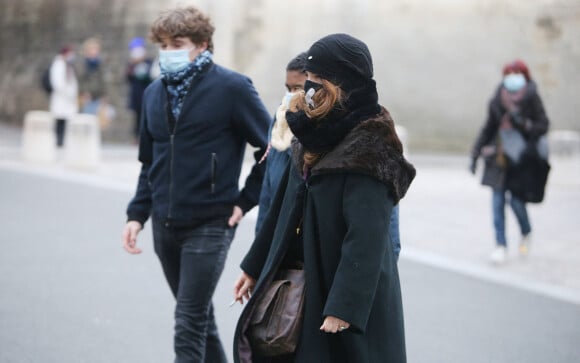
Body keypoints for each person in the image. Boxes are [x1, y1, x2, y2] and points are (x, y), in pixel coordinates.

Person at [233, 33, 415, 363]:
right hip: (302, 283)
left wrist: (344, 306)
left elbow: (367, 237)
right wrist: (254, 266)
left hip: (341, 296)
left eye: (316, 80)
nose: (308, 89)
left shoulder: (372, 146)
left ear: (340, 82)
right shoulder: (310, 134)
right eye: (308, 80)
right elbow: (282, 208)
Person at [121, 6, 270, 363]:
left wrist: (245, 200)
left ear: (203, 44)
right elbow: (150, 161)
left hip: (210, 225)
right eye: (164, 44)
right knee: (200, 318)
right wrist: (137, 214)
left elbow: (272, 149)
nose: (168, 51)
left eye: (178, 43)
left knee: (187, 320)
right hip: (165, 226)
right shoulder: (154, 93)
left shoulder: (233, 88)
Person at [256, 52, 404, 261]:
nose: (294, 95)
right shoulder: (280, 125)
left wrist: (390, 258)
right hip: (284, 259)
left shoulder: (363, 137)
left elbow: (383, 219)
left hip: (323, 259)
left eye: (299, 88)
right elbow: (269, 199)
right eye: (288, 89)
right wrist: (259, 260)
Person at [470, 59, 549, 264]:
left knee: (515, 202)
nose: (513, 77)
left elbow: (543, 125)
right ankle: (500, 245)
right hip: (499, 158)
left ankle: (526, 231)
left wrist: (524, 124)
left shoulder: (531, 99)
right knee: (497, 202)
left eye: (517, 73)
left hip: (521, 161)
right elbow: (488, 128)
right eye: (509, 73)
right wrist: (475, 153)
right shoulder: (496, 100)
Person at [48, 45, 78, 147]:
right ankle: (59, 141)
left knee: (66, 120)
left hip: (68, 99)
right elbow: (58, 83)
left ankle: (63, 141)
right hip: (61, 98)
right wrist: (67, 93)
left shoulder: (67, 65)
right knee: (59, 120)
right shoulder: (58, 64)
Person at [126, 37, 154, 141]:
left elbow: (150, 77)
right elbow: (128, 78)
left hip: (147, 93)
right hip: (137, 95)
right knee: (137, 117)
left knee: (148, 116)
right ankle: (137, 137)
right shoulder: (131, 64)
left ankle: (147, 135)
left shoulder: (149, 62)